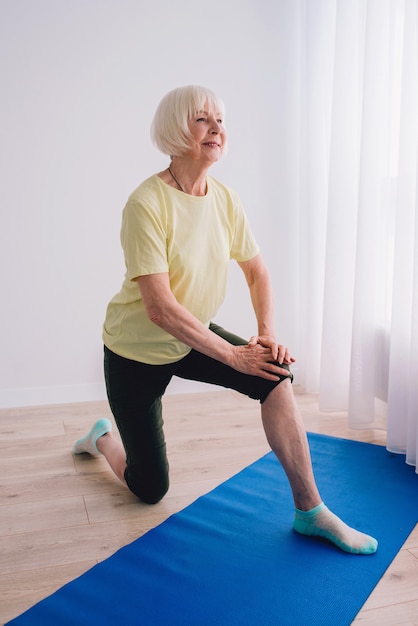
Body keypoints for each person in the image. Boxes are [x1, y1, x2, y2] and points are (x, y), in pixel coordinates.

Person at [73, 85, 377, 555]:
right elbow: (159, 308)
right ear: (176, 130)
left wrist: (266, 337)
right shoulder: (145, 204)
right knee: (149, 489)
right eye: (202, 120)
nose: (216, 129)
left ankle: (310, 511)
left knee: (275, 376)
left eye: (220, 120)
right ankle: (102, 439)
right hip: (136, 349)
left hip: (189, 333)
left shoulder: (225, 199)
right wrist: (234, 356)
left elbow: (257, 271)